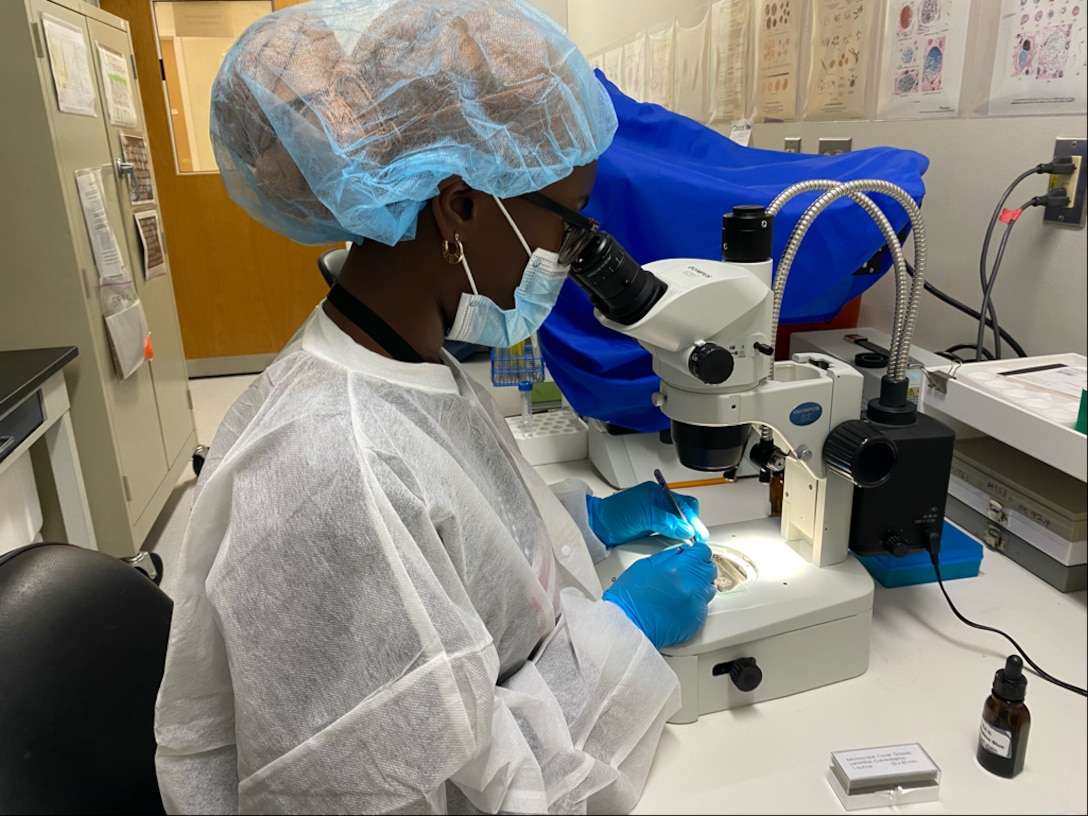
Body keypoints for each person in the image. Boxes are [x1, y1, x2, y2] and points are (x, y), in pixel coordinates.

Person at [154, 1, 717, 813]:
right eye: (567, 221)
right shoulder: (336, 467)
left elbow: (453, 537)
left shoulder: (401, 354)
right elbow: (438, 789)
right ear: (461, 206)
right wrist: (622, 635)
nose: (573, 252)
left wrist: (585, 520)